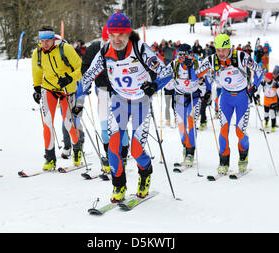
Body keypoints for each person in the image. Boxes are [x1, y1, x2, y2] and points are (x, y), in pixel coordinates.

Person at [77, 12, 173, 202]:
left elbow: (167, 72)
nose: (116, 39)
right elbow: (88, 76)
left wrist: (154, 86)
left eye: (120, 34)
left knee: (136, 150)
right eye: (112, 34)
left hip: (141, 103)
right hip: (119, 102)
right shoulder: (105, 52)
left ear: (128, 33)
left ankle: (145, 173)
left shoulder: (140, 49)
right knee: (113, 148)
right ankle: (118, 185)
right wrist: (79, 98)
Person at [196, 34, 264, 174]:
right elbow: (197, 74)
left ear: (229, 48)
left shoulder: (240, 57)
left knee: (239, 132)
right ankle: (224, 161)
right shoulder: (212, 59)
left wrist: (255, 87)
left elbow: (259, 70)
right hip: (226, 97)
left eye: (224, 50)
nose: (221, 53)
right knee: (223, 130)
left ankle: (243, 157)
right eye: (218, 50)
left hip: (242, 98)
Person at [31, 25, 84, 170]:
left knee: (68, 123)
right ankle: (50, 158)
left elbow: (81, 67)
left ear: (53, 39)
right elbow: (36, 71)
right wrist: (36, 88)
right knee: (47, 122)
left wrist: (69, 78)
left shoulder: (65, 48)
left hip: (67, 89)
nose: (45, 44)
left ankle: (77, 149)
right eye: (42, 41)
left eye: (48, 40)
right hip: (49, 89)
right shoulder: (38, 53)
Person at [80, 25, 129, 173]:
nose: (110, 42)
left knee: (120, 125)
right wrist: (86, 83)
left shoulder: (123, 48)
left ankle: (124, 156)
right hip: (102, 90)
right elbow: (85, 68)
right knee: (104, 124)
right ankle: (108, 156)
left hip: (120, 91)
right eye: (107, 38)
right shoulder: (94, 48)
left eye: (113, 38)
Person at [166, 44, 211, 165]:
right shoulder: (174, 64)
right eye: (179, 54)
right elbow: (163, 75)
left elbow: (208, 75)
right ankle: (185, 146)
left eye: (184, 54)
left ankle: (190, 152)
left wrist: (208, 91)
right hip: (180, 96)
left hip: (194, 96)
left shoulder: (197, 63)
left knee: (191, 123)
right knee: (181, 125)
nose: (181, 57)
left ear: (190, 54)